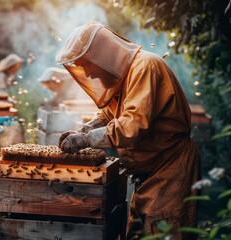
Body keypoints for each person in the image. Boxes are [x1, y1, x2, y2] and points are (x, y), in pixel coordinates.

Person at [56, 21, 200, 240]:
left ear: (102, 56)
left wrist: (86, 139)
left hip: (170, 168)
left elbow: (133, 126)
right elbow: (109, 115)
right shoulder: (123, 75)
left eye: (89, 67)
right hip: (147, 173)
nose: (90, 75)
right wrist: (85, 129)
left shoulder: (145, 67)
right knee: (138, 233)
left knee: (165, 232)